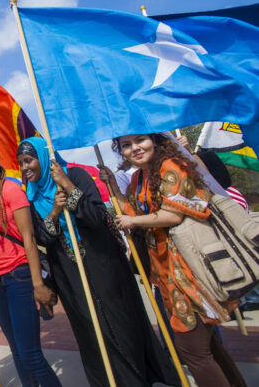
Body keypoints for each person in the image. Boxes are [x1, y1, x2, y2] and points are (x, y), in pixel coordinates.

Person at [18, 137, 179, 387]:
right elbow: (43, 237)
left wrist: (68, 185)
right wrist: (54, 212)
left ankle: (137, 379)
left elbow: (94, 216)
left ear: (43, 158)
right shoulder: (32, 195)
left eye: (28, 160)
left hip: (104, 263)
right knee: (92, 332)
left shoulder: (77, 175)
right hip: (70, 274)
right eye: (21, 163)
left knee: (121, 322)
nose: (25, 167)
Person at [101, 133, 247, 387]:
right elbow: (133, 212)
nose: (134, 148)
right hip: (165, 271)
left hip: (192, 270)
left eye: (140, 141)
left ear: (155, 141)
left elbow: (172, 215)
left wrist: (133, 221)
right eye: (126, 145)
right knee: (207, 345)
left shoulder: (173, 167)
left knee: (192, 350)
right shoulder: (138, 177)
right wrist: (114, 187)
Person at [0, 144, 60, 387]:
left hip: (18, 275)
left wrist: (38, 284)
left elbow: (28, 238)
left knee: (30, 353)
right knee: (17, 351)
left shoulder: (12, 190)